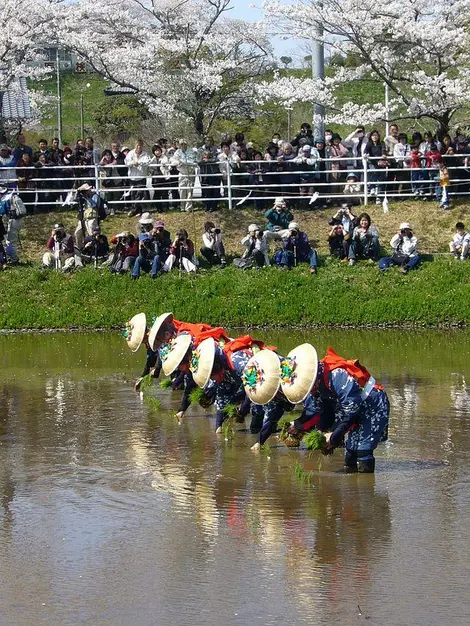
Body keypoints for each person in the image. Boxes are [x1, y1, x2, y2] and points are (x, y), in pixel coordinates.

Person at [281, 344, 390, 473]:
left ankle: (366, 490)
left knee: (363, 450)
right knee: (351, 450)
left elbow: (351, 411)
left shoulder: (336, 376)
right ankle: (353, 488)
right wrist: (319, 430)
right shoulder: (319, 384)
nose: (310, 392)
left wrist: (334, 437)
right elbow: (323, 411)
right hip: (353, 409)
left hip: (372, 405)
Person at [74, 183, 106, 249]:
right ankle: (80, 248)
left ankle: (93, 249)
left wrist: (87, 198)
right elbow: (75, 200)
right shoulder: (83, 197)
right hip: (84, 218)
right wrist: (78, 194)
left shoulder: (95, 196)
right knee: (77, 233)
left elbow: (95, 205)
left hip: (92, 218)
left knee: (92, 235)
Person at [125, 140, 151, 217]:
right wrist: (132, 163)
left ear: (142, 146)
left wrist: (140, 163)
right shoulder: (130, 154)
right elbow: (126, 163)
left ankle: (137, 210)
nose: (139, 147)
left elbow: (147, 162)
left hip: (141, 176)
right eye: (137, 145)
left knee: (140, 193)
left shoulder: (145, 154)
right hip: (132, 177)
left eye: (140, 145)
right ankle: (135, 209)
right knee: (133, 194)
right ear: (135, 145)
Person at [171, 140, 197, 212]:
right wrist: (178, 162)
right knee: (182, 190)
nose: (183, 145)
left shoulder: (191, 151)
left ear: (186, 144)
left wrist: (183, 162)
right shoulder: (177, 152)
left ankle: (188, 207)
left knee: (189, 190)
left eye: (184, 144)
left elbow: (192, 161)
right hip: (182, 173)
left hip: (190, 172)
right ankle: (182, 207)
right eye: (181, 144)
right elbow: (173, 160)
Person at [199, 136, 220, 212]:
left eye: (210, 140)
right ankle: (206, 206)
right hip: (204, 173)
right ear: (204, 141)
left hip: (214, 173)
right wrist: (203, 161)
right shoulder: (200, 149)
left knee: (215, 191)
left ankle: (214, 206)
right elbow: (198, 160)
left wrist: (208, 160)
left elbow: (216, 159)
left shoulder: (215, 149)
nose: (209, 141)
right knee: (205, 191)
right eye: (207, 140)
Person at [149, 144, 170, 212]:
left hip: (164, 178)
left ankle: (165, 208)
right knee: (157, 193)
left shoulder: (165, 158)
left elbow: (167, 165)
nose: (157, 152)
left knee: (164, 193)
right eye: (155, 151)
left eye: (158, 150)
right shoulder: (152, 159)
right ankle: (159, 208)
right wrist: (154, 173)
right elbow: (150, 169)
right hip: (156, 179)